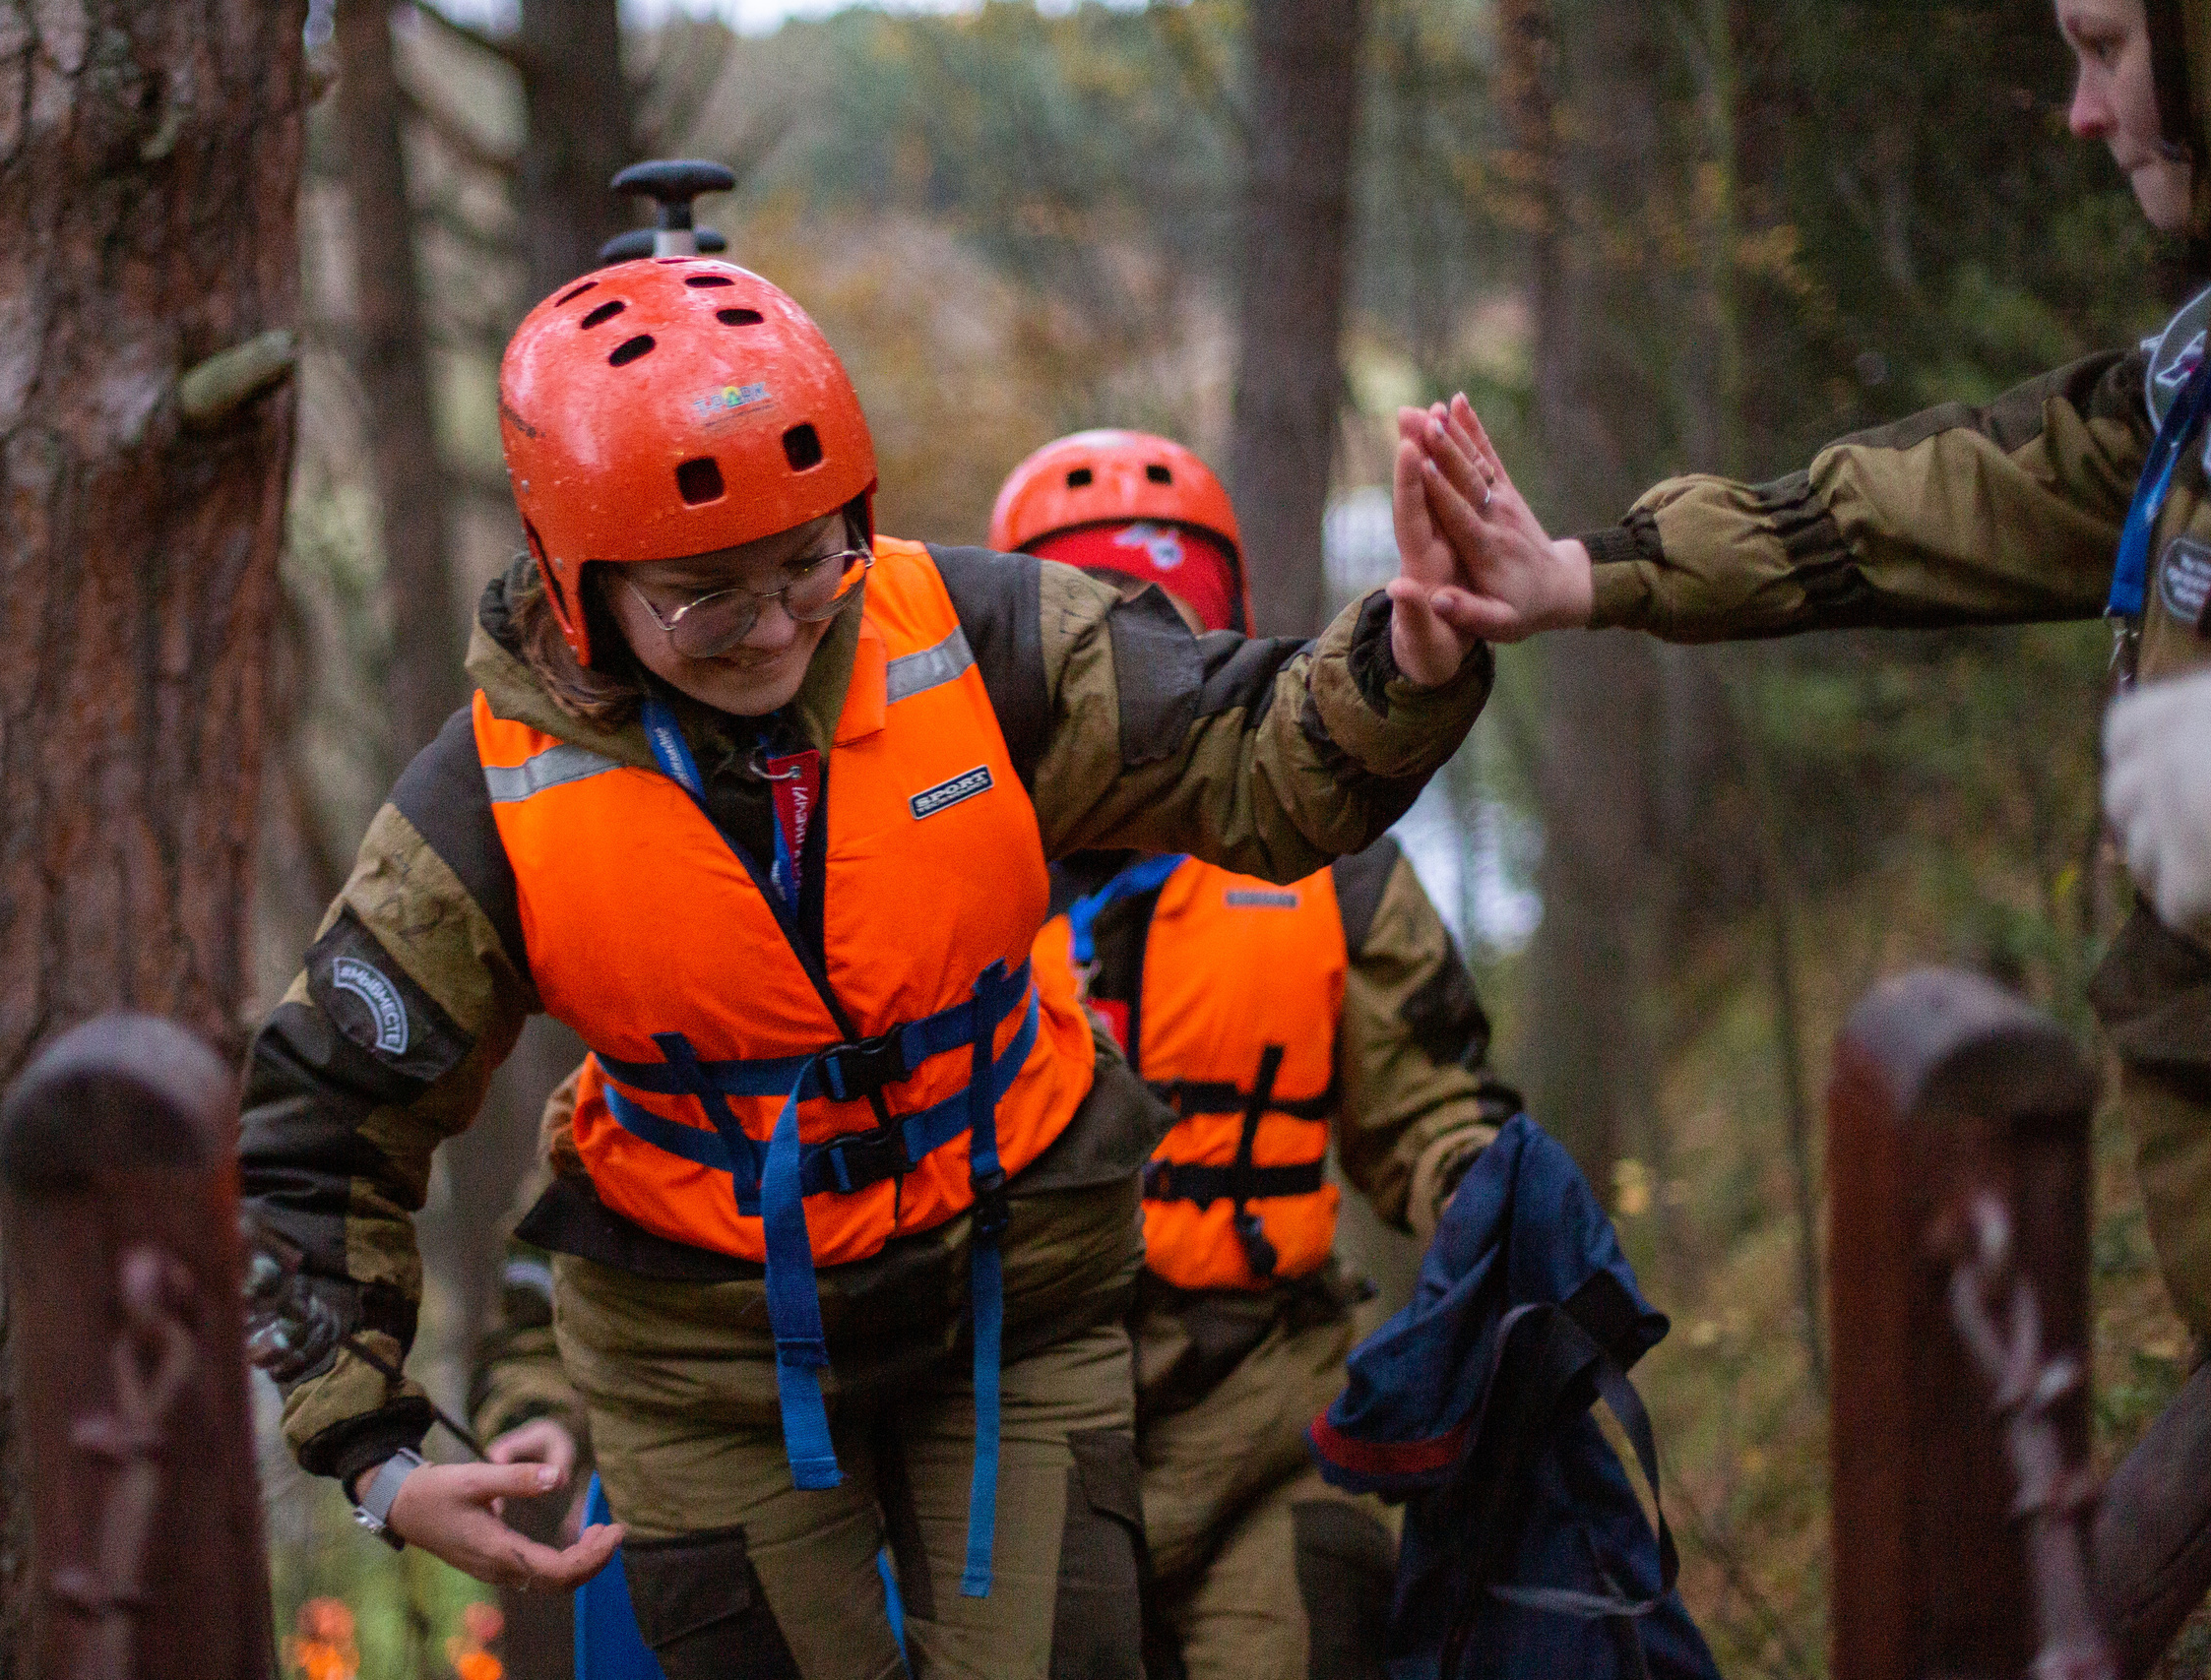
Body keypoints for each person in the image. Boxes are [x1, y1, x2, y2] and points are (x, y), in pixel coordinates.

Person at [238, 255, 1493, 1679]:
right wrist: (375, 1448)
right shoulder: (483, 807)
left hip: (1012, 1288)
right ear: (580, 586)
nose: (776, 626)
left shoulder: (983, 639)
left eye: (808, 562)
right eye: (707, 597)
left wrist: (1408, 655)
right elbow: (316, 1131)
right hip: (703, 1361)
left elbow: (1251, 758)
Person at [1386, 0, 2211, 1340]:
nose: (2078, 112)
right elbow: (1944, 499)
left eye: (2107, 47)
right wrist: (1588, 573)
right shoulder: (2192, 392)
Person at [987, 431, 1524, 1680]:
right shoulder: (917, 879)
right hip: (1010, 1435)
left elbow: (1431, 1102)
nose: (1128, 681)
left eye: (1166, 635)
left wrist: (1484, 1193)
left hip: (1268, 1417)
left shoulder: (1334, 875)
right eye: (1095, 641)